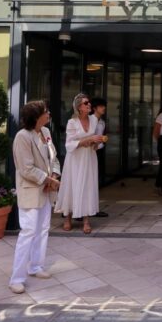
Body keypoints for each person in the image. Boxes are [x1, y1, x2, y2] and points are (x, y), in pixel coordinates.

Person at [10, 100, 60, 295]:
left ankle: (36, 266)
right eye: (45, 112)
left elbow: (53, 157)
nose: (48, 114)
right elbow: (25, 168)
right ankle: (16, 278)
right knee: (28, 232)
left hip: (46, 189)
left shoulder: (46, 133)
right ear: (36, 116)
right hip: (32, 189)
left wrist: (54, 175)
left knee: (43, 229)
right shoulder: (22, 137)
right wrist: (47, 180)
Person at [56, 94, 105, 234]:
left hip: (89, 157)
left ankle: (86, 221)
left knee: (87, 187)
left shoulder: (93, 120)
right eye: (86, 103)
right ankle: (67, 218)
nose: (89, 105)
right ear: (79, 107)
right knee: (72, 186)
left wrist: (97, 142)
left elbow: (95, 142)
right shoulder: (72, 122)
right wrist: (88, 140)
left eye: (89, 102)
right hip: (75, 160)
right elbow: (69, 144)